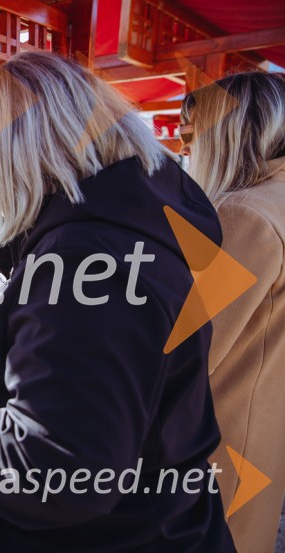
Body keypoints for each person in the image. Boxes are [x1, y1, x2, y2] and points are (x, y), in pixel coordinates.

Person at [0, 51, 236, 551]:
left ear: (17, 158)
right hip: (165, 521)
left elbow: (53, 465)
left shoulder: (88, 258)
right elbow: (41, 248)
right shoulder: (136, 215)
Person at [181, 72, 285, 553]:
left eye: (192, 136)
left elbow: (181, 351)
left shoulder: (242, 216)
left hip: (211, 451)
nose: (185, 151)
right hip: (257, 437)